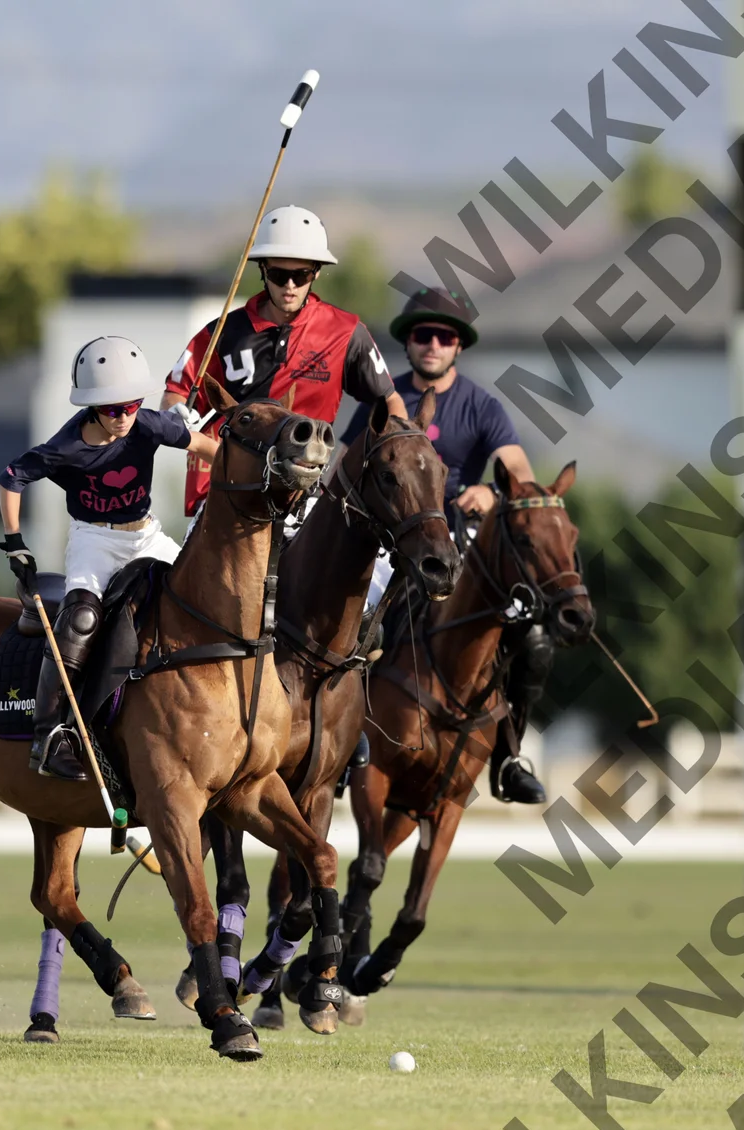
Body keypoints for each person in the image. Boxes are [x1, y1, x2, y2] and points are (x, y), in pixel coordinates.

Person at [347, 286, 549, 806]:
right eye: (423, 334)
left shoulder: (482, 406)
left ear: (458, 345)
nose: (433, 344)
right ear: (409, 342)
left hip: (461, 540)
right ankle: (345, 740)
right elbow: (345, 466)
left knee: (531, 636)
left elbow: (520, 473)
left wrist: (493, 492)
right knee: (353, 624)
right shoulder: (383, 401)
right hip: (393, 540)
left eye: (444, 336)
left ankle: (508, 758)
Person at [0, 336, 218, 780]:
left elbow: (206, 448)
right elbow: (11, 478)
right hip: (94, 540)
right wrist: (14, 541)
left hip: (147, 535)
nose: (124, 417)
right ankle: (50, 735)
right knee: (80, 619)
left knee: (209, 593)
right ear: (93, 407)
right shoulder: (67, 446)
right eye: (114, 409)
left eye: (132, 405)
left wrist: (256, 466)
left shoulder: (148, 425)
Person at [161, 205, 404, 511]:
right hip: (232, 491)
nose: (290, 285)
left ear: (316, 271)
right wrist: (175, 414)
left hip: (306, 494)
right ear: (263, 270)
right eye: (279, 275)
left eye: (301, 275)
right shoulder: (221, 332)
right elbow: (175, 393)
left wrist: (390, 455)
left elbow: (390, 401)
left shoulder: (347, 331)